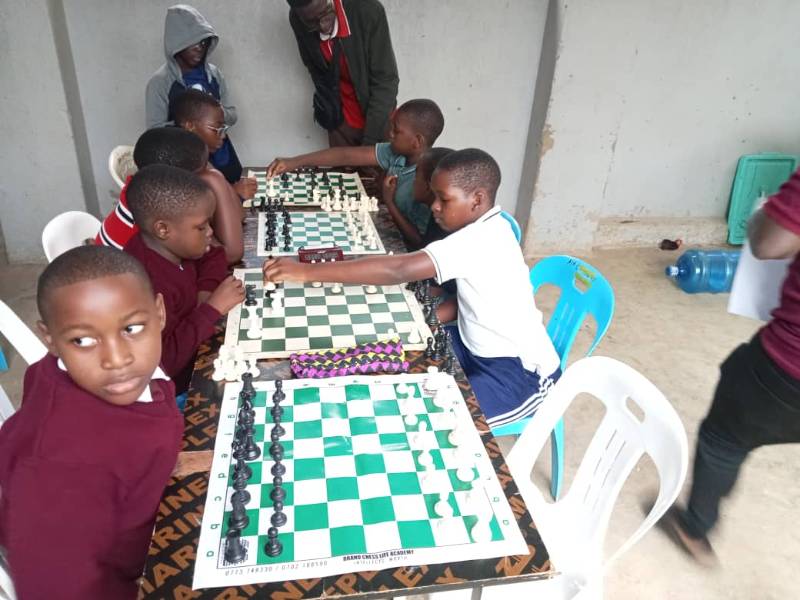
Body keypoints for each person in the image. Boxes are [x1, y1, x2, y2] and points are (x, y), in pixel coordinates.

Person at [264, 148, 560, 427]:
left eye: (444, 199)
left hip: (520, 374)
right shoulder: (484, 228)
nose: (434, 206)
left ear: (477, 200)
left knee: (430, 420)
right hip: (470, 343)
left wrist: (305, 271)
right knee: (388, 355)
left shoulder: (479, 240)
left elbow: (398, 269)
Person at [0, 245, 210, 598]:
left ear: (159, 313)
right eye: (82, 340)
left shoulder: (63, 373)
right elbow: (54, 586)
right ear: (50, 339)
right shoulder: (60, 469)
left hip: (144, 513)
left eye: (131, 328)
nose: (116, 358)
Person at [664, 169, 800, 566]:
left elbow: (770, 243)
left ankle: (694, 530)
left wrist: (761, 217)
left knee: (724, 440)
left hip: (786, 368)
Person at [123, 164, 244, 394]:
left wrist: (205, 295)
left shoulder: (174, 245)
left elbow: (215, 254)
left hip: (199, 350)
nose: (210, 232)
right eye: (201, 227)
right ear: (163, 229)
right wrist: (211, 309)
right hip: (178, 389)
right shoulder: (147, 286)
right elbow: (163, 363)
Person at [267, 98, 444, 238]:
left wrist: (388, 201)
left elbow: (419, 239)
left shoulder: (428, 179)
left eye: (396, 131)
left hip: (404, 249)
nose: (390, 134)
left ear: (417, 141)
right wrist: (295, 162)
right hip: (384, 227)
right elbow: (345, 155)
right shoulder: (396, 152)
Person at [97, 126, 244, 265]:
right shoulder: (160, 211)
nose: (209, 173)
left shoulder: (149, 188)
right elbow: (231, 254)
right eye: (203, 171)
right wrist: (215, 179)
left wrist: (211, 173)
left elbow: (240, 215)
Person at [145, 4, 249, 195]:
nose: (200, 48)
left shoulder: (214, 74)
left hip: (223, 156)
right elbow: (155, 134)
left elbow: (232, 115)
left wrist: (213, 115)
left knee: (235, 200)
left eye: (204, 42)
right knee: (209, 201)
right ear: (176, 44)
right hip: (188, 168)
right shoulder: (160, 83)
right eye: (193, 43)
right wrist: (194, 125)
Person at [285, 0, 399, 148]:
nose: (322, 27)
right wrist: (331, 113)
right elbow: (313, 66)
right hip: (340, 121)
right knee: (340, 164)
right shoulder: (297, 18)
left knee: (375, 162)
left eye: (324, 14)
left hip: (378, 118)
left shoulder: (368, 11)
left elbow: (385, 81)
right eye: (311, 23)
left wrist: (370, 141)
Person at [384, 146, 453, 250]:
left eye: (416, 176)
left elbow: (418, 241)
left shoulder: (441, 218)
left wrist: (390, 202)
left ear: (428, 187)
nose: (413, 181)